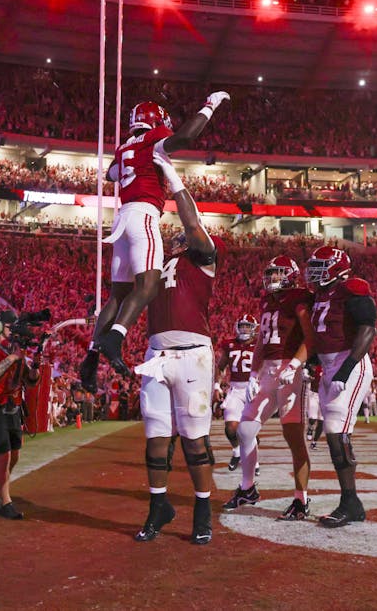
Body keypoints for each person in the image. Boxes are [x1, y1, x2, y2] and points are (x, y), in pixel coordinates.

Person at [79, 91, 230, 388]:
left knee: (117, 295)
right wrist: (209, 106)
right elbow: (186, 137)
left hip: (121, 219)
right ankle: (116, 336)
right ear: (155, 121)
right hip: (143, 216)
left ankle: (92, 353)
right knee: (148, 285)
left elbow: (111, 174)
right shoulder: (153, 140)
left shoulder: (124, 147)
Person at [132, 185, 220, 545]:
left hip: (192, 355)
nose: (179, 236)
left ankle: (203, 511)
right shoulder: (156, 263)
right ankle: (159, 507)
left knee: (194, 441)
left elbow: (193, 222)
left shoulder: (202, 258)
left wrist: (172, 178)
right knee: (155, 440)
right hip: (156, 356)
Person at [223, 255, 314, 521]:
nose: (272, 277)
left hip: (290, 372)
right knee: (245, 429)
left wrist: (295, 364)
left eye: (278, 273)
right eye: (271, 273)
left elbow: (311, 337)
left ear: (291, 275)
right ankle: (248, 488)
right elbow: (262, 340)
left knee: (293, 437)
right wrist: (253, 372)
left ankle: (301, 499)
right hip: (267, 372)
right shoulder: (267, 300)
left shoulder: (299, 297)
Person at [304, 245, 377, 528]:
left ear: (336, 268)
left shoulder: (352, 289)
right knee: (334, 433)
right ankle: (351, 502)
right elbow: (322, 334)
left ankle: (351, 502)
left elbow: (367, 329)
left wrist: (345, 371)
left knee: (337, 432)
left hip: (349, 363)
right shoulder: (322, 295)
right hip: (328, 366)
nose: (315, 272)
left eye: (321, 266)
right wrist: (312, 363)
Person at [0, 310, 41, 520]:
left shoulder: (18, 351)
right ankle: (6, 502)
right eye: (9, 327)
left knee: (14, 456)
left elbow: (30, 381)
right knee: (4, 457)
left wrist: (36, 365)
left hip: (13, 408)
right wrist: (14, 357)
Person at [215, 314, 257, 471]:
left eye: (248, 326)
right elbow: (221, 367)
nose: (245, 329)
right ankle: (237, 452)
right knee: (231, 428)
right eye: (242, 325)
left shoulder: (259, 345)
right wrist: (217, 386)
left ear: (254, 329)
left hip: (254, 389)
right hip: (235, 389)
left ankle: (254, 462)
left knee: (249, 429)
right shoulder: (230, 344)